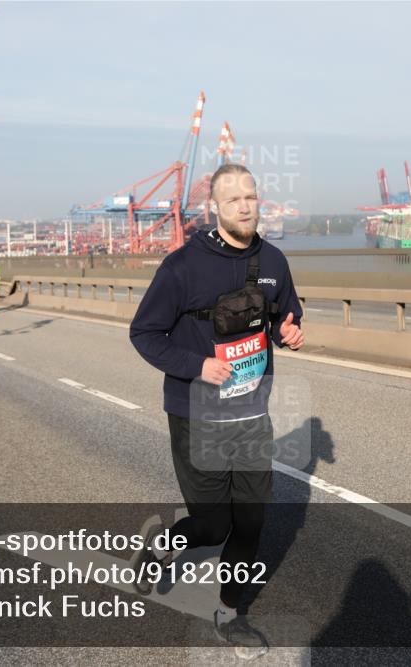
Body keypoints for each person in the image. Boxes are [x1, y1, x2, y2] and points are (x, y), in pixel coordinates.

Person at [128, 164, 305, 659]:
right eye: (234, 200)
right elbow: (144, 334)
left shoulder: (273, 259)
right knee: (212, 527)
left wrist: (289, 333)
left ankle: (229, 614)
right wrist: (197, 365)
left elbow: (285, 314)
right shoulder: (182, 266)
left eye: (251, 197)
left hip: (250, 414)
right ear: (215, 208)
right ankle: (163, 546)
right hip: (196, 414)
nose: (246, 206)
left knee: (250, 524)